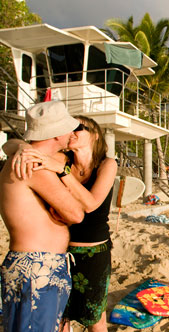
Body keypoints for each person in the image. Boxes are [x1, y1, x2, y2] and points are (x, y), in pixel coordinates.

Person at [12, 114, 117, 331]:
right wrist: (22, 146)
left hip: (94, 254)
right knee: (60, 318)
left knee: (95, 320)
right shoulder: (62, 158)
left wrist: (62, 172)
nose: (72, 132)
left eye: (79, 127)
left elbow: (91, 204)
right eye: (70, 128)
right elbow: (9, 145)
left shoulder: (107, 164)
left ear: (95, 135)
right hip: (62, 255)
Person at [0, 101, 85, 332]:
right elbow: (76, 213)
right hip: (36, 268)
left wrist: (18, 146)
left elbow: (11, 145)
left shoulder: (26, 158)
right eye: (69, 129)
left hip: (38, 265)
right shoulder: (33, 165)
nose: (72, 134)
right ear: (57, 134)